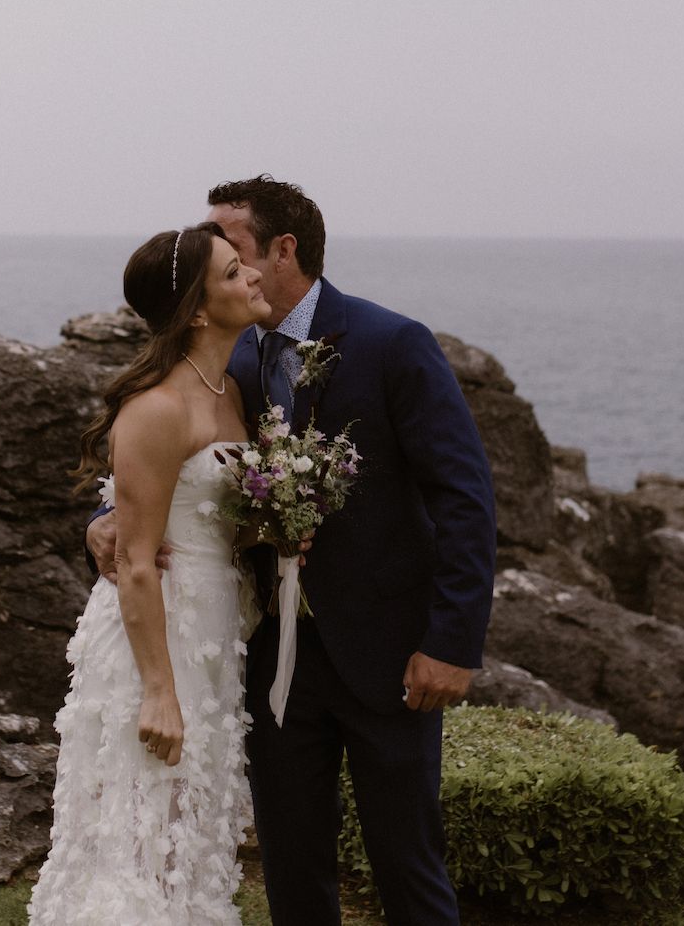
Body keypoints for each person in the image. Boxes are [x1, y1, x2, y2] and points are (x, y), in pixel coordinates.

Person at [89, 176, 498, 926]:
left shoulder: (390, 342)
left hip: (386, 654)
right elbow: (169, 450)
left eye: (235, 250)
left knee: (408, 862)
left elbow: (465, 498)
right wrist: (107, 515)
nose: (233, 270)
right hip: (264, 654)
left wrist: (451, 642)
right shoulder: (228, 357)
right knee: (292, 867)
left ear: (283, 250)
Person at [29, 221, 273, 925]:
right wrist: (159, 693)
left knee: (184, 841)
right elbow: (135, 561)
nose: (251, 276)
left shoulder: (230, 390)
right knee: (136, 845)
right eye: (233, 272)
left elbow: (206, 515)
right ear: (197, 308)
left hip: (214, 635)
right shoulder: (158, 407)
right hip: (154, 641)